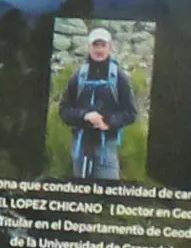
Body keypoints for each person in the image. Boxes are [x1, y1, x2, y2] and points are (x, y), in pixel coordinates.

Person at [59, 31, 139, 181]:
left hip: (107, 146)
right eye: (95, 45)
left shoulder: (119, 77)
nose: (99, 50)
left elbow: (131, 113)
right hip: (80, 146)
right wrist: (85, 116)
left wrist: (107, 121)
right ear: (89, 47)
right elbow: (64, 111)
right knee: (81, 197)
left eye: (103, 45)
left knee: (107, 195)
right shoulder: (78, 77)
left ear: (110, 48)